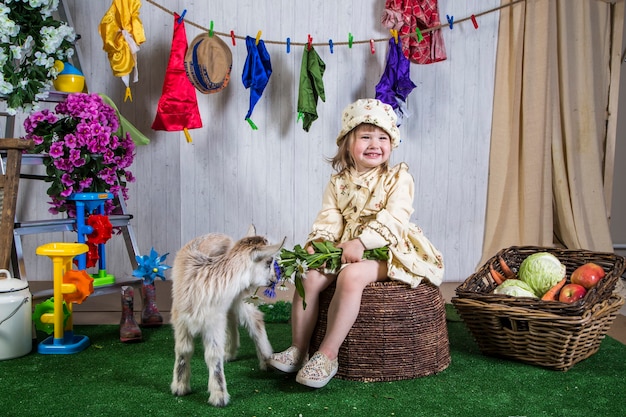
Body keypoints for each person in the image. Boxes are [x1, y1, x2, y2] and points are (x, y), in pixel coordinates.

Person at [268, 98, 444, 388]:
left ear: (392, 143)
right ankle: (299, 349)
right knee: (310, 276)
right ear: (348, 144)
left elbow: (395, 218)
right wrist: (321, 240)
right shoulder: (338, 183)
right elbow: (329, 217)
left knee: (351, 276)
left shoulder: (398, 178)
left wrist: (362, 241)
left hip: (388, 251)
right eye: (365, 137)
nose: (374, 144)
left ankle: (328, 354)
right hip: (345, 247)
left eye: (382, 137)